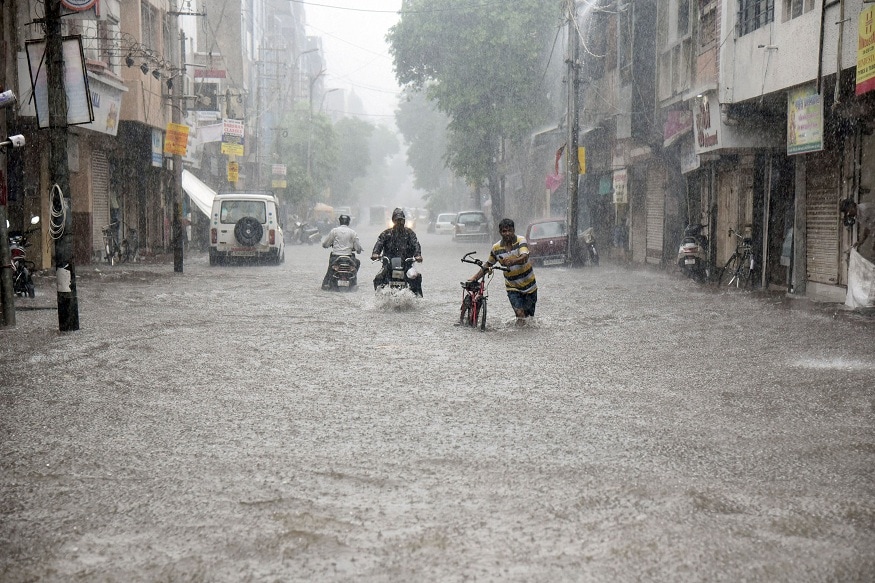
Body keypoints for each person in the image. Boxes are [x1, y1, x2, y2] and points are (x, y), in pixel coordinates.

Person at [468, 218, 537, 324]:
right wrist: (474, 278)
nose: (507, 233)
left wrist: (512, 261)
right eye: (504, 231)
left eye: (509, 230)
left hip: (530, 287)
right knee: (520, 316)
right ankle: (519, 337)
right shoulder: (496, 248)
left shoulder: (521, 241)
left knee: (529, 318)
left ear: (514, 230)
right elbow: (488, 264)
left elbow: (524, 257)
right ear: (500, 232)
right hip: (512, 287)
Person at [371, 207, 424, 296]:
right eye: (397, 220)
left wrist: (418, 255)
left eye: (401, 220)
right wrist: (375, 254)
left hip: (406, 265)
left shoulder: (409, 233)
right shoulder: (386, 234)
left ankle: (418, 298)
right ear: (393, 220)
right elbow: (379, 244)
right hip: (388, 266)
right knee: (378, 279)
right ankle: (378, 299)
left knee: (416, 277)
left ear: (404, 220)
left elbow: (416, 244)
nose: (399, 222)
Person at [321, 214, 362, 290]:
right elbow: (358, 248)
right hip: (349, 258)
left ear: (339, 221)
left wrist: (327, 245)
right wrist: (357, 250)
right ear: (349, 222)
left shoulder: (334, 231)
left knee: (330, 271)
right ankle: (353, 282)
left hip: (335, 257)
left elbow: (325, 244)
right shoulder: (352, 233)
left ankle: (327, 283)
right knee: (357, 263)